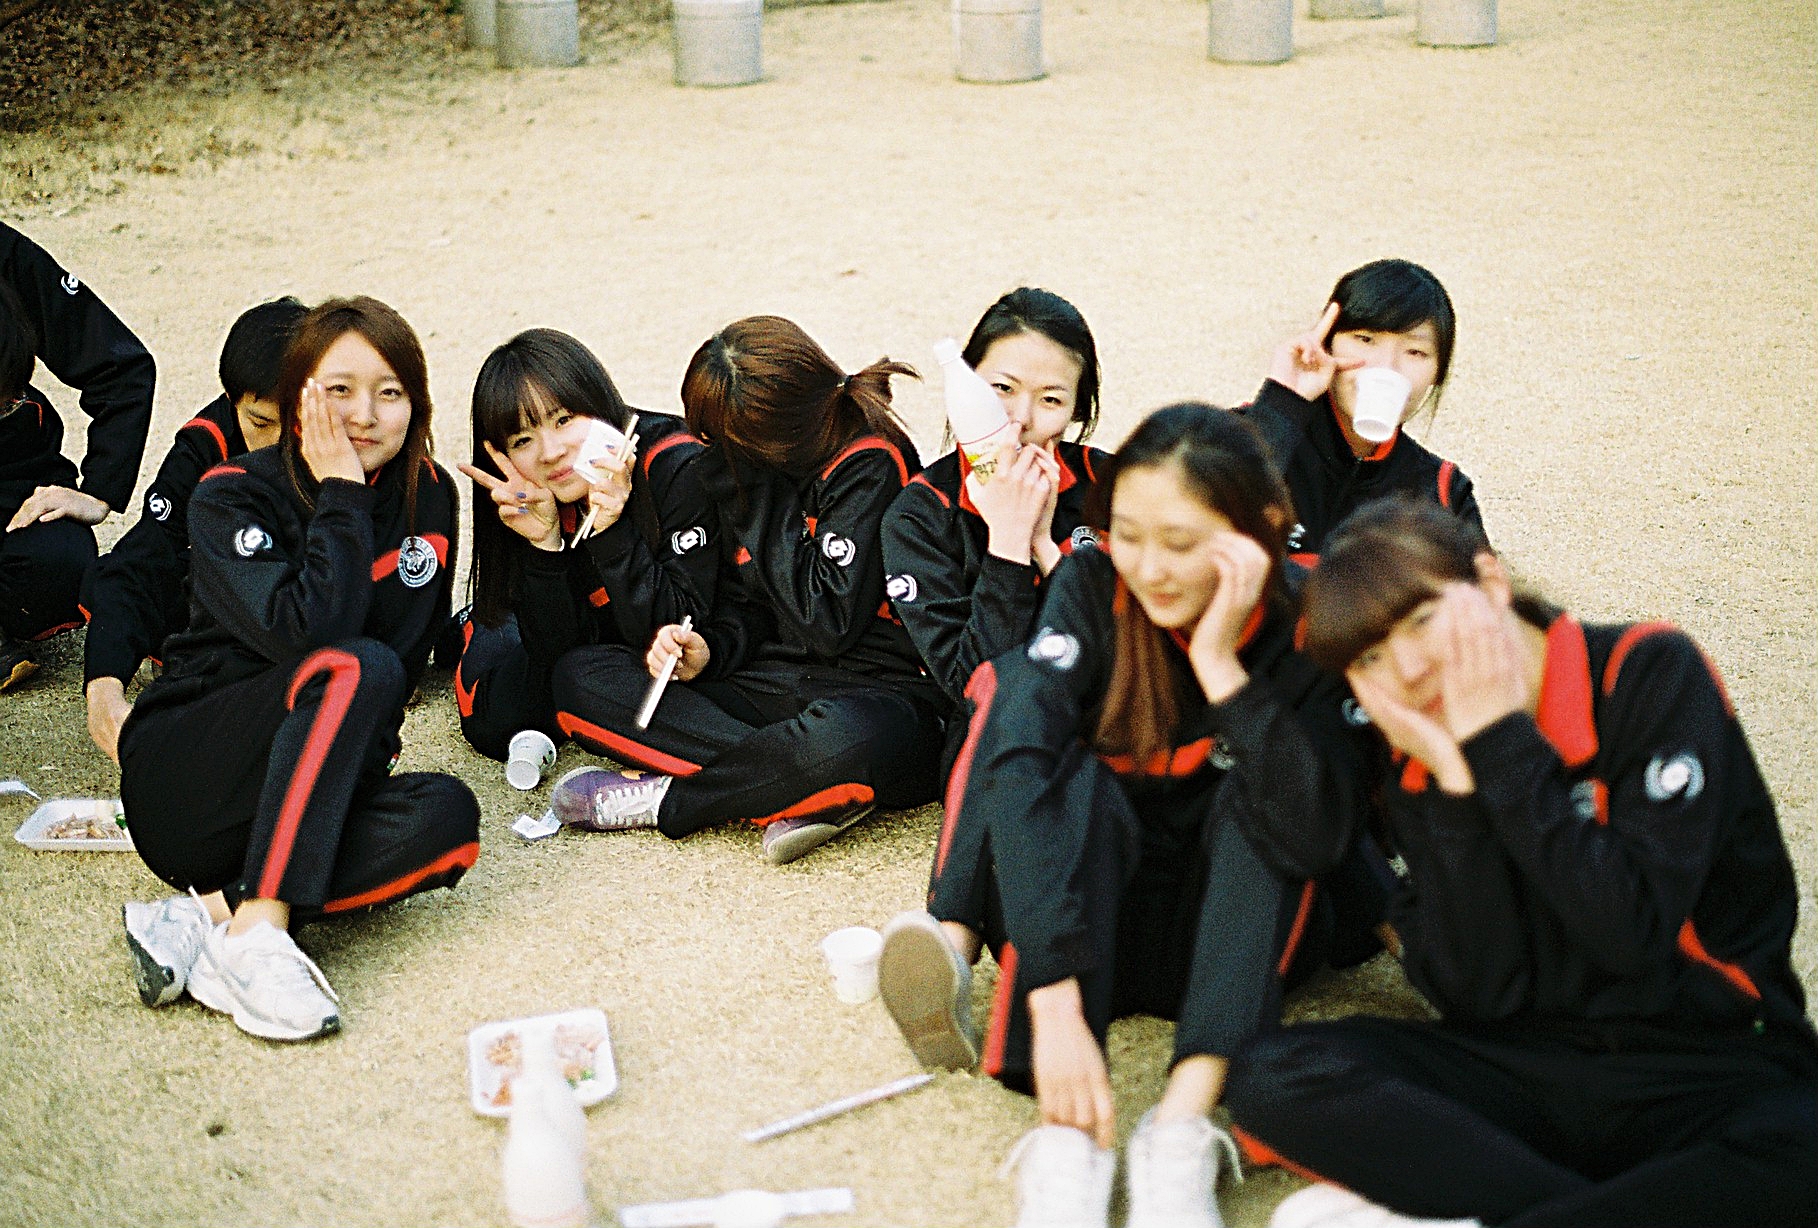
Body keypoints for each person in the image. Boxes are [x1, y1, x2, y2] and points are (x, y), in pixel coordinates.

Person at [1224, 498, 1818, 1228]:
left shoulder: (1647, 672)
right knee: (1276, 1074)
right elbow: (1483, 998)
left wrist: (1502, 742)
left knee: (1802, 1150)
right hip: (1536, 1065)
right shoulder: (1420, 761)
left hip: (1707, 1059)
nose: (1409, 669)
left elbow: (1632, 935)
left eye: (1422, 620)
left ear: (1491, 583)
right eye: (1370, 657)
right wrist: (1454, 790)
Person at [877, 406, 1383, 1228]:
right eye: (1132, 535)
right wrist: (1052, 999)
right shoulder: (1093, 583)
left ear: (1258, 530)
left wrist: (1221, 666)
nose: (1150, 568)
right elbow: (1023, 764)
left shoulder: (1309, 615)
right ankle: (1068, 1138)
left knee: (1263, 795)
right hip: (1092, 932)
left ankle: (1179, 1128)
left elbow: (1319, 832)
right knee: (1044, 743)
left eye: (1179, 542)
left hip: (1230, 942)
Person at [115, 296, 478, 1043]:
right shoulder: (229, 493)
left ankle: (209, 914)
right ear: (300, 395)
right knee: (355, 664)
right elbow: (313, 636)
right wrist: (341, 492)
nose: (365, 415)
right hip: (189, 772)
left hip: (306, 778)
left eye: (389, 392)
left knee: (449, 819)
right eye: (339, 389)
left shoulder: (432, 495)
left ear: (417, 403)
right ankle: (260, 936)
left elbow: (404, 667)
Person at [545, 315, 946, 865]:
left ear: (775, 439)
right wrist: (708, 650)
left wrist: (757, 494)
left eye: (723, 442)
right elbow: (750, 608)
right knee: (582, 678)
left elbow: (826, 622)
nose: (709, 453)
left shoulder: (869, 462)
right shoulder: (747, 466)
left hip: (883, 692)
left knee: (850, 739)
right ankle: (796, 785)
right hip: (777, 682)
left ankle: (672, 799)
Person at [452, 328, 717, 762]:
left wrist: (612, 531)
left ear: (597, 402)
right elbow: (554, 668)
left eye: (563, 420)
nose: (551, 452)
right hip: (563, 628)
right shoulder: (528, 494)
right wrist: (544, 545)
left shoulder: (675, 465)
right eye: (522, 440)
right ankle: (470, 624)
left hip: (636, 632)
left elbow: (681, 633)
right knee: (497, 721)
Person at [881, 287, 1111, 773]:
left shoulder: (1110, 485)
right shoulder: (919, 516)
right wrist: (1008, 545)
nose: (1019, 420)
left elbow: (1134, 651)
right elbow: (971, 684)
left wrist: (1045, 549)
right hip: (1003, 745)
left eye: (1051, 399)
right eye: (1002, 389)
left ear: (1076, 412)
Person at [82, 297, 307, 762]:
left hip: (306, 608)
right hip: (231, 608)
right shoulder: (205, 445)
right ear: (231, 400)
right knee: (120, 575)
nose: (280, 442)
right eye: (261, 422)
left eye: (297, 422)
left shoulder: (351, 437)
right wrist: (103, 689)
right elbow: (138, 563)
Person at [1239, 258, 1484, 562]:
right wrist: (1282, 405)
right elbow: (1202, 519)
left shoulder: (1443, 490)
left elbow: (1482, 590)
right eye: (1365, 339)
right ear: (1326, 344)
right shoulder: (1242, 434)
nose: (1387, 368)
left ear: (1438, 374)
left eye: (1415, 352)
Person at [1, 222, 156, 689]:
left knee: (60, 563)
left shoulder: (5, 254)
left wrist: (100, 490)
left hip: (8, 464)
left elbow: (120, 366)